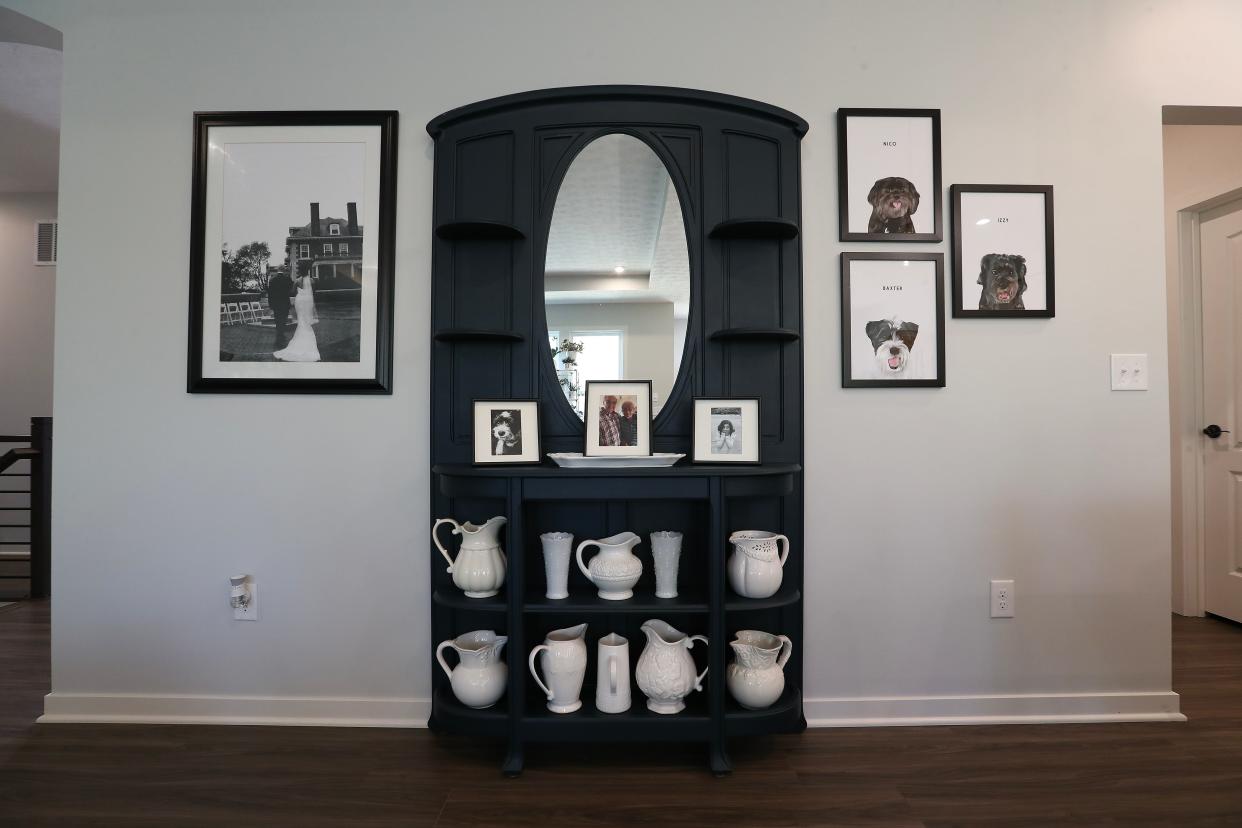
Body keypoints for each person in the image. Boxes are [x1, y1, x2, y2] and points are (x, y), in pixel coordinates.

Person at [274, 274, 320, 362]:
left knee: (301, 321)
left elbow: (292, 291)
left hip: (300, 302)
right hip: (308, 301)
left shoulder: (297, 281)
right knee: (306, 321)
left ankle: (301, 340)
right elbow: (313, 291)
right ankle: (307, 341)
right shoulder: (312, 281)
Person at [266, 269, 297, 349]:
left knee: (277, 319)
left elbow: (270, 293)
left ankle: (279, 335)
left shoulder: (272, 280)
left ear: (277, 271)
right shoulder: (287, 279)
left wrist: (271, 304)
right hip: (285, 304)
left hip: (276, 304)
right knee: (284, 319)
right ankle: (281, 334)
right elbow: (291, 290)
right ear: (283, 270)